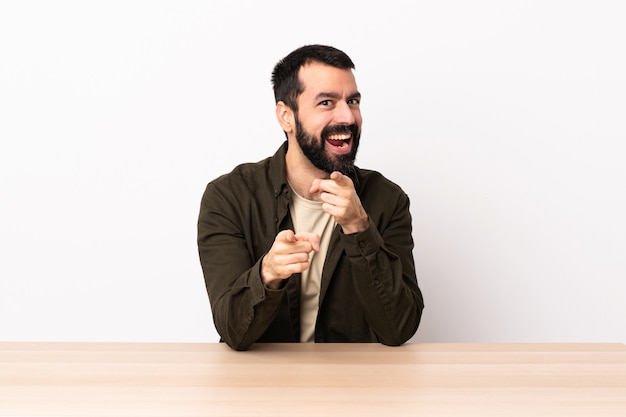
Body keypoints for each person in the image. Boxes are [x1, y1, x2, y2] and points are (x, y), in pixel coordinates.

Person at [197, 44, 424, 351]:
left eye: (353, 101)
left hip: (354, 387)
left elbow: (399, 329)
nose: (347, 116)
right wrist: (268, 274)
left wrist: (360, 228)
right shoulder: (229, 198)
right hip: (262, 390)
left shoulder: (387, 200)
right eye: (327, 102)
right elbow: (234, 332)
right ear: (286, 117)